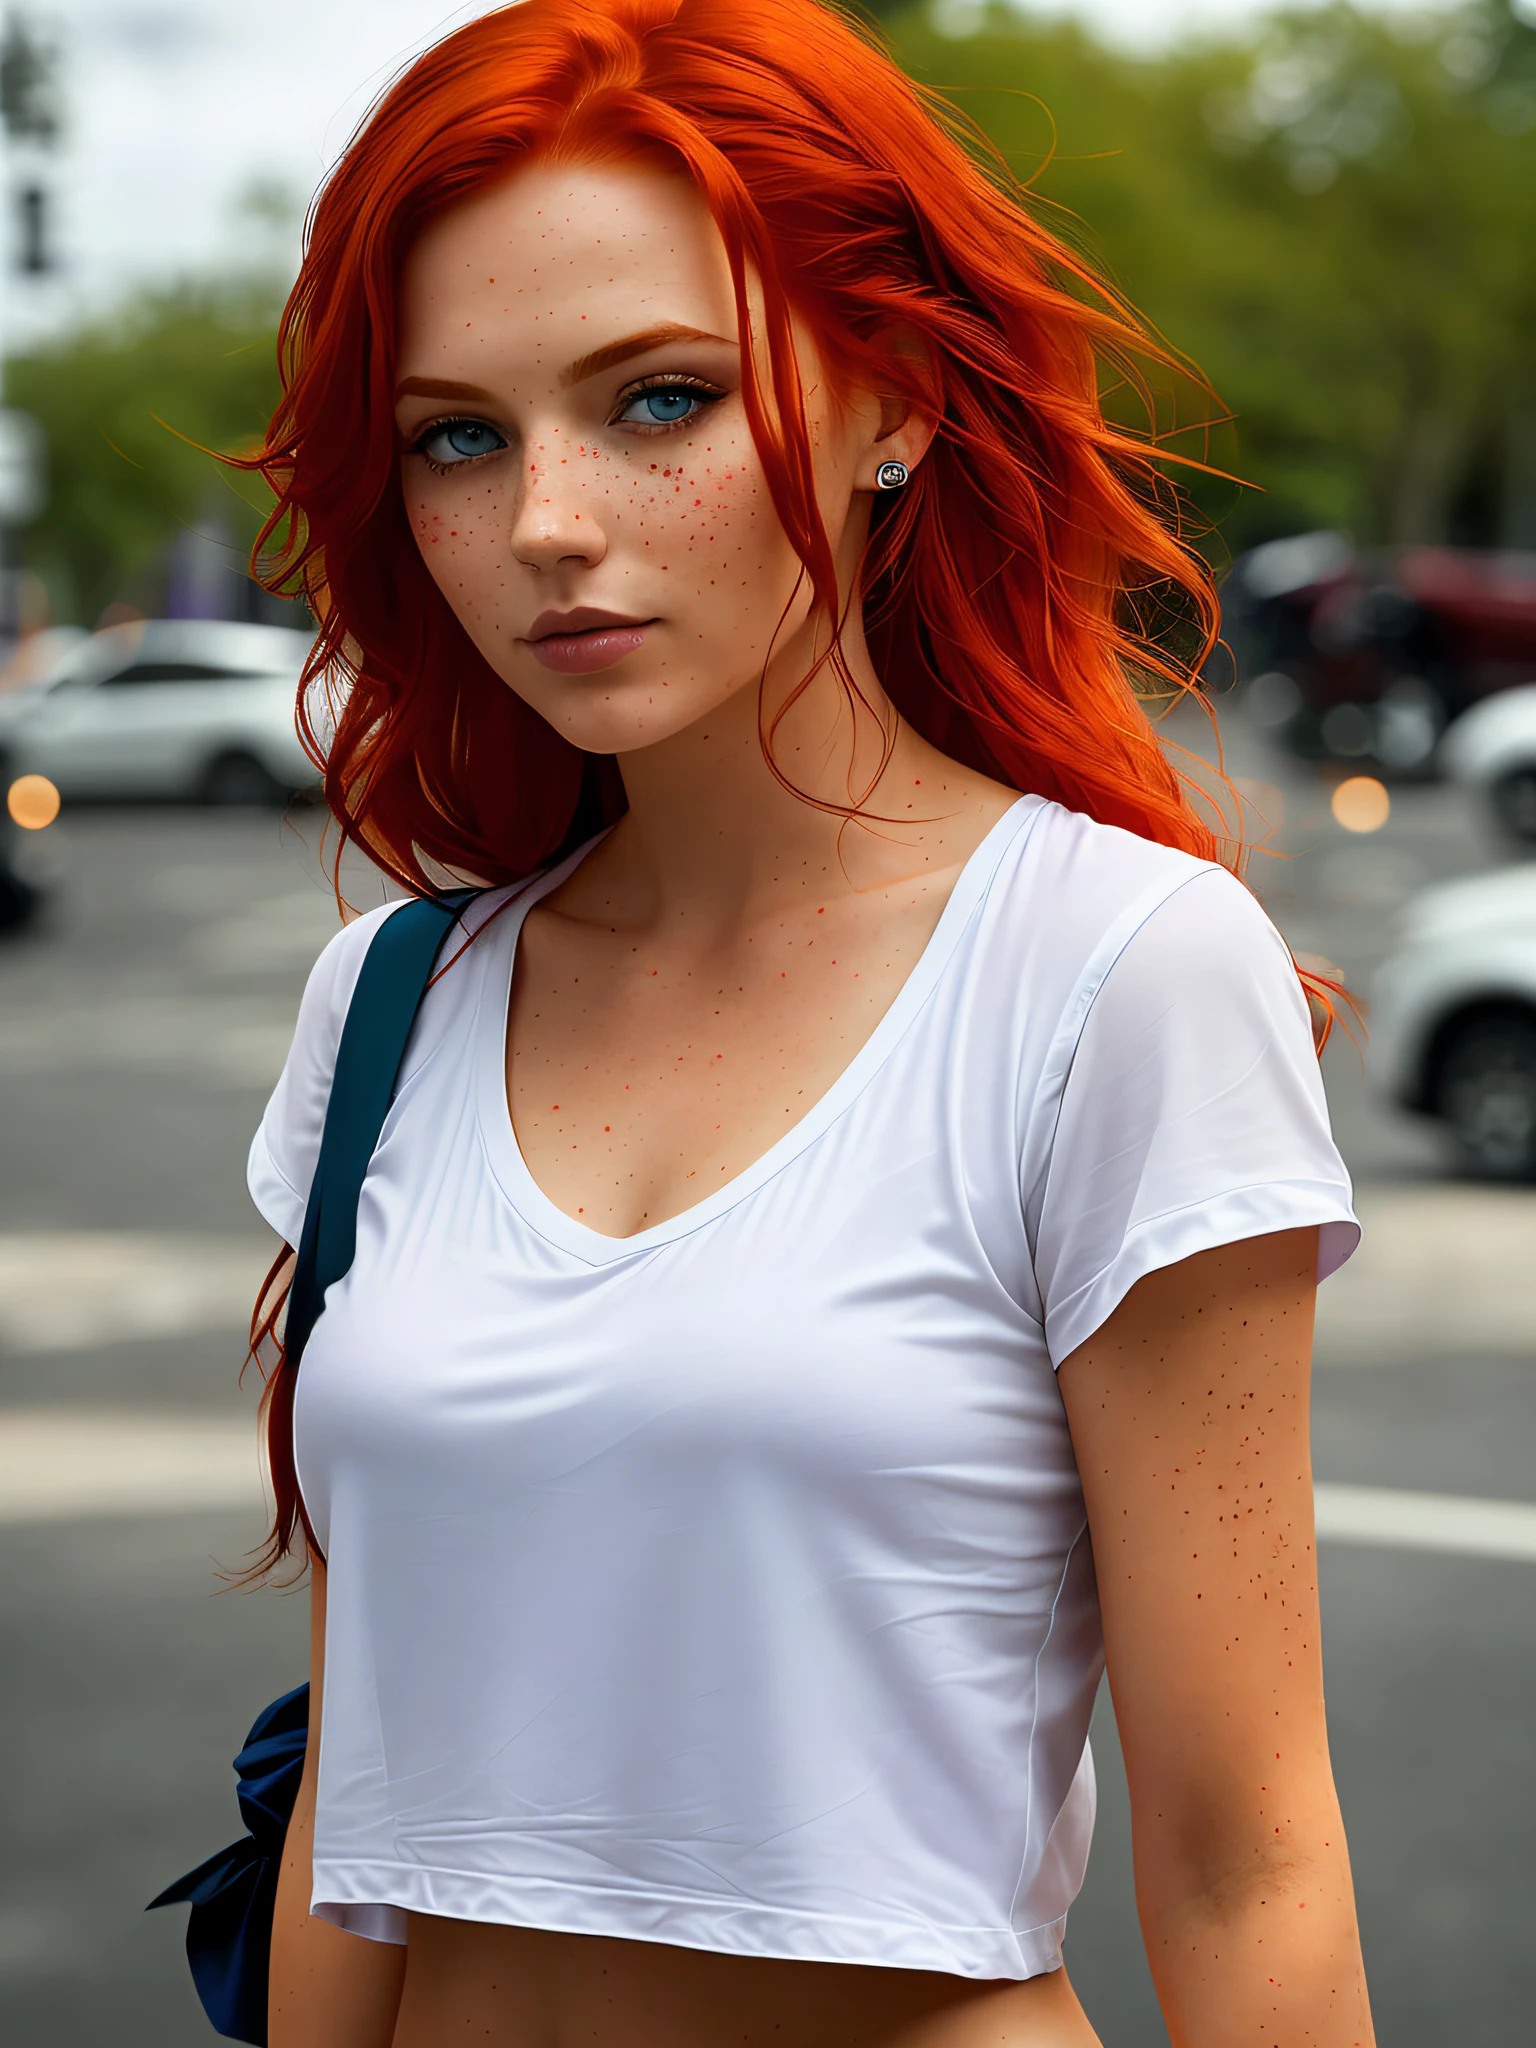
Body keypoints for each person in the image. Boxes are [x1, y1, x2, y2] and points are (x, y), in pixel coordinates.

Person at [242, 3, 1375, 2042]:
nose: (547, 523)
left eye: (658, 401)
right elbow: (355, 1809)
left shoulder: (1117, 970)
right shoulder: (396, 1003)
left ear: (894, 405)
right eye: (459, 436)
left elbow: (1249, 1851)